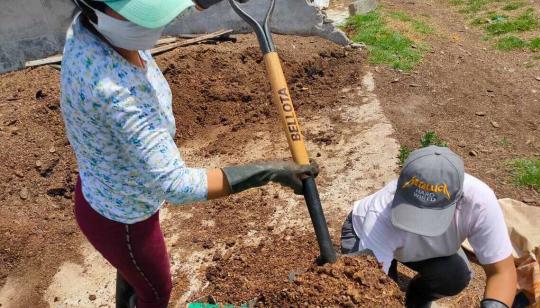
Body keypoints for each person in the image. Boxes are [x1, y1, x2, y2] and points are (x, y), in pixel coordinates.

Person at [60, 0, 318, 307]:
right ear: (93, 7)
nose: (155, 24)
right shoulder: (112, 91)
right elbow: (178, 186)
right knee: (156, 293)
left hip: (110, 190)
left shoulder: (95, 31)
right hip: (123, 222)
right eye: (142, 15)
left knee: (133, 276)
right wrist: (272, 172)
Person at [340, 146, 517, 308]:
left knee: (455, 274)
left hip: (417, 248)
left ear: (458, 200)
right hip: (363, 235)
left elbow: (502, 272)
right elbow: (369, 292)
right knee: (372, 294)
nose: (419, 227)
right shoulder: (380, 215)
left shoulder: (479, 202)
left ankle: (417, 299)